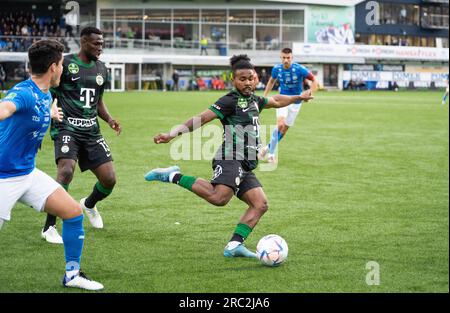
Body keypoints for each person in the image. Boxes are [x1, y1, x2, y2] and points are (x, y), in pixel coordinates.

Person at [144, 55, 313, 258]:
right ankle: (172, 176)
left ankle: (234, 246)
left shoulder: (255, 100)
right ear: (233, 80)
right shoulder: (229, 100)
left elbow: (276, 100)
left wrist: (299, 97)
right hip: (230, 156)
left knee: (260, 204)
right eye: (242, 79)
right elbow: (201, 119)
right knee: (219, 197)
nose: (248, 82)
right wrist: (172, 135)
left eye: (250, 78)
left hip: (247, 162)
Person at [0, 39, 103, 290]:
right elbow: (5, 109)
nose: (64, 70)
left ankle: (72, 275)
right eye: (62, 66)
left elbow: (40, 110)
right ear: (54, 67)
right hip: (3, 179)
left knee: (72, 212)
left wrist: (53, 114)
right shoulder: (23, 92)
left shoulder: (45, 94)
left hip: (27, 174)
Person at [40, 27, 121, 244]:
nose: (100, 47)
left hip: (91, 131)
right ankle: (49, 227)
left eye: (102, 44)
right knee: (66, 171)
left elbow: (98, 101)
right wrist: (49, 111)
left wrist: (110, 119)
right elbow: (47, 90)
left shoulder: (102, 68)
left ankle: (89, 204)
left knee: (109, 179)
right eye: (96, 43)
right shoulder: (64, 64)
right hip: (66, 127)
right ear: (83, 42)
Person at [258, 47, 318, 164]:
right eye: (284, 58)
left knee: (284, 130)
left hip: (296, 102)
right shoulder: (277, 69)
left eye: (288, 58)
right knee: (280, 124)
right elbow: (271, 81)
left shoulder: (299, 69)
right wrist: (264, 96)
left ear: (292, 58)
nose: (286, 60)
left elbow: (314, 80)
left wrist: (310, 93)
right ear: (281, 58)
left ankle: (266, 149)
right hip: (282, 100)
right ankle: (271, 155)